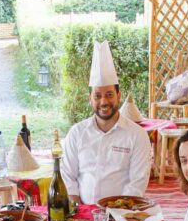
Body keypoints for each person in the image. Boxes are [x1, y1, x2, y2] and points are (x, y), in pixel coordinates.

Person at [61, 40, 152, 205]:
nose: (104, 101)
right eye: (97, 96)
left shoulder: (137, 135)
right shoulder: (76, 133)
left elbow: (137, 182)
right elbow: (68, 176)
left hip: (122, 214)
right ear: (90, 99)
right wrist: (79, 211)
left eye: (109, 94)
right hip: (82, 214)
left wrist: (117, 211)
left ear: (119, 95)